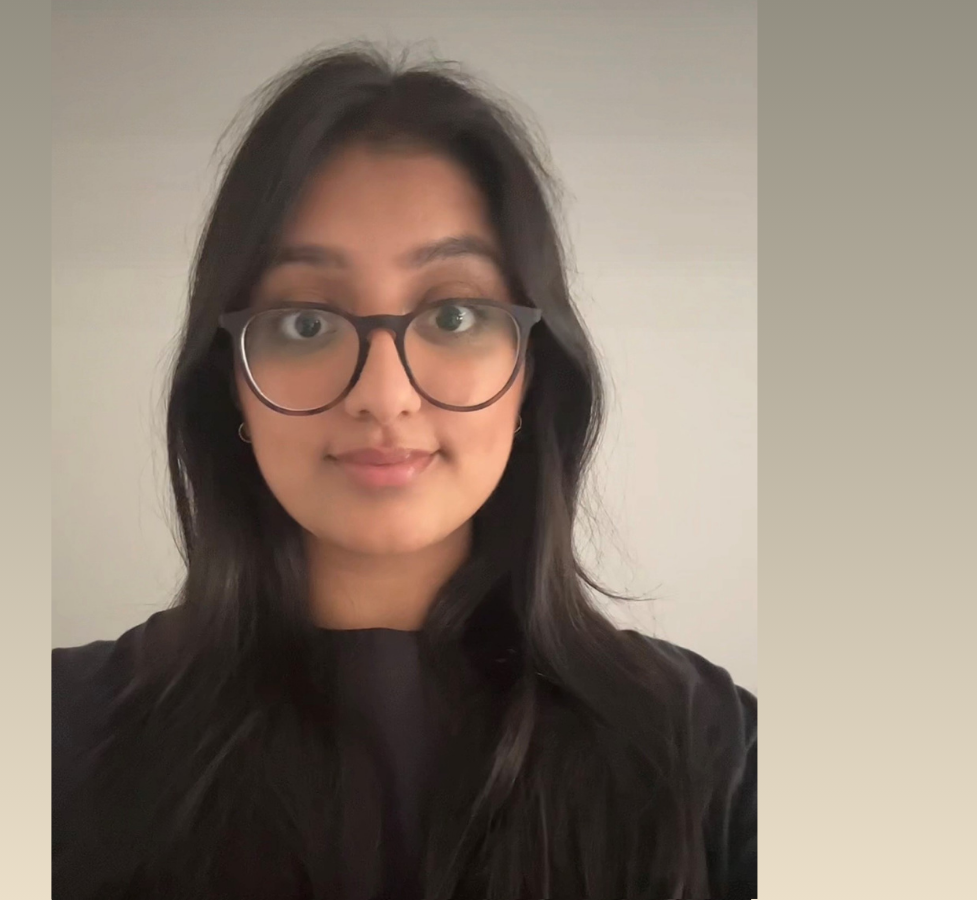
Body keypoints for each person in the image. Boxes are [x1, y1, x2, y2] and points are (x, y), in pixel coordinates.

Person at [52, 44, 756, 900]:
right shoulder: (62, 739)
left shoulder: (710, 750)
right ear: (231, 382)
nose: (383, 397)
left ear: (532, 372)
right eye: (306, 323)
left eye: (453, 314)